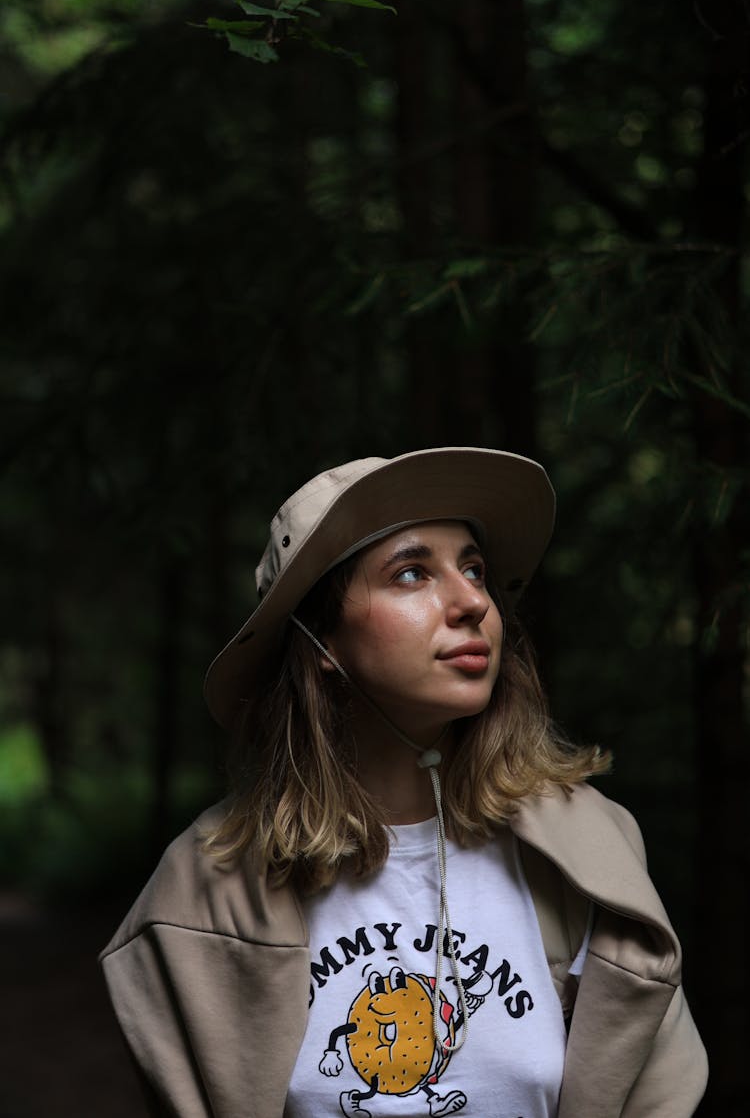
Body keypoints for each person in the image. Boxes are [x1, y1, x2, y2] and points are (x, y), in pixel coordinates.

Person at [101, 447, 707, 1118]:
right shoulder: (204, 888)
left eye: (474, 568)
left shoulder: (590, 854)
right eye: (413, 572)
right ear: (321, 641)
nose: (473, 599)